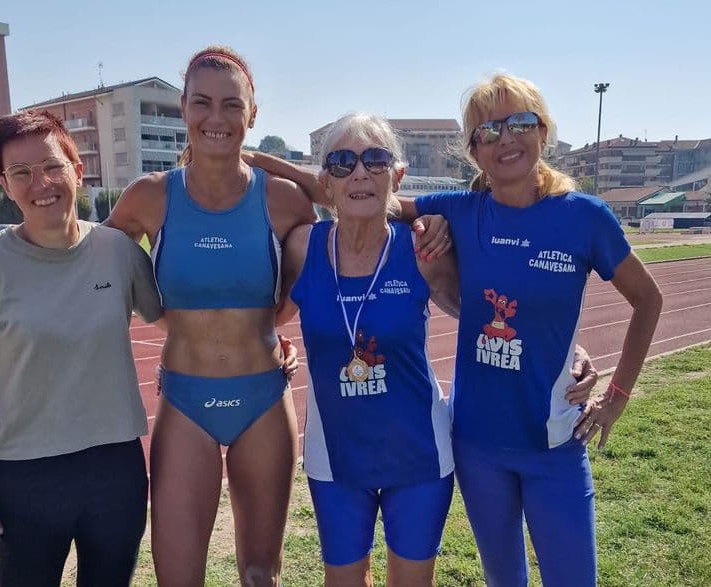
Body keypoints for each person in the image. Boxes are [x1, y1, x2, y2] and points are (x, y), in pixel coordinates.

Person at [404, 74, 662, 586]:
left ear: (543, 132)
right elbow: (375, 203)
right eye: (489, 130)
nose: (507, 139)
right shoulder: (459, 210)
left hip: (556, 447)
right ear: (474, 150)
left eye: (520, 122)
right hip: (478, 448)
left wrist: (617, 396)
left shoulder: (584, 218)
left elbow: (648, 300)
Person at [0, 111, 163, 586]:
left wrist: (262, 342)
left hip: (116, 472)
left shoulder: (120, 252)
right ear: (4, 185)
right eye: (20, 173)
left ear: (77, 170)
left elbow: (178, 325)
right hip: (26, 480)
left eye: (51, 166)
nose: (40, 183)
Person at [279, 112, 461, 586]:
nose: (359, 172)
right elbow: (254, 313)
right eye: (342, 162)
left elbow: (491, 311)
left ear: (396, 176)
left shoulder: (424, 249)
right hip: (335, 458)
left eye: (375, 159)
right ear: (327, 184)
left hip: (418, 454)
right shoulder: (303, 246)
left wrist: (574, 353)